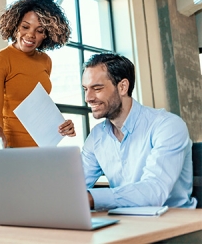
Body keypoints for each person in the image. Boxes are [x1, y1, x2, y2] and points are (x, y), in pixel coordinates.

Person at [82, 52, 197, 210]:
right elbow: (75, 185)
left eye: (97, 88)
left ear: (123, 87)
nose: (88, 97)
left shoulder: (167, 126)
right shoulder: (96, 137)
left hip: (175, 224)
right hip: (127, 222)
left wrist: (90, 198)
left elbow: (154, 192)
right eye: (85, 89)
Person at [0, 0, 75, 148]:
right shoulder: (0, 59)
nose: (31, 35)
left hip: (42, 148)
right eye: (25, 27)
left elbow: (40, 108)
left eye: (39, 31)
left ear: (46, 35)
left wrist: (63, 125)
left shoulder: (45, 61)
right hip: (10, 146)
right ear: (15, 25)